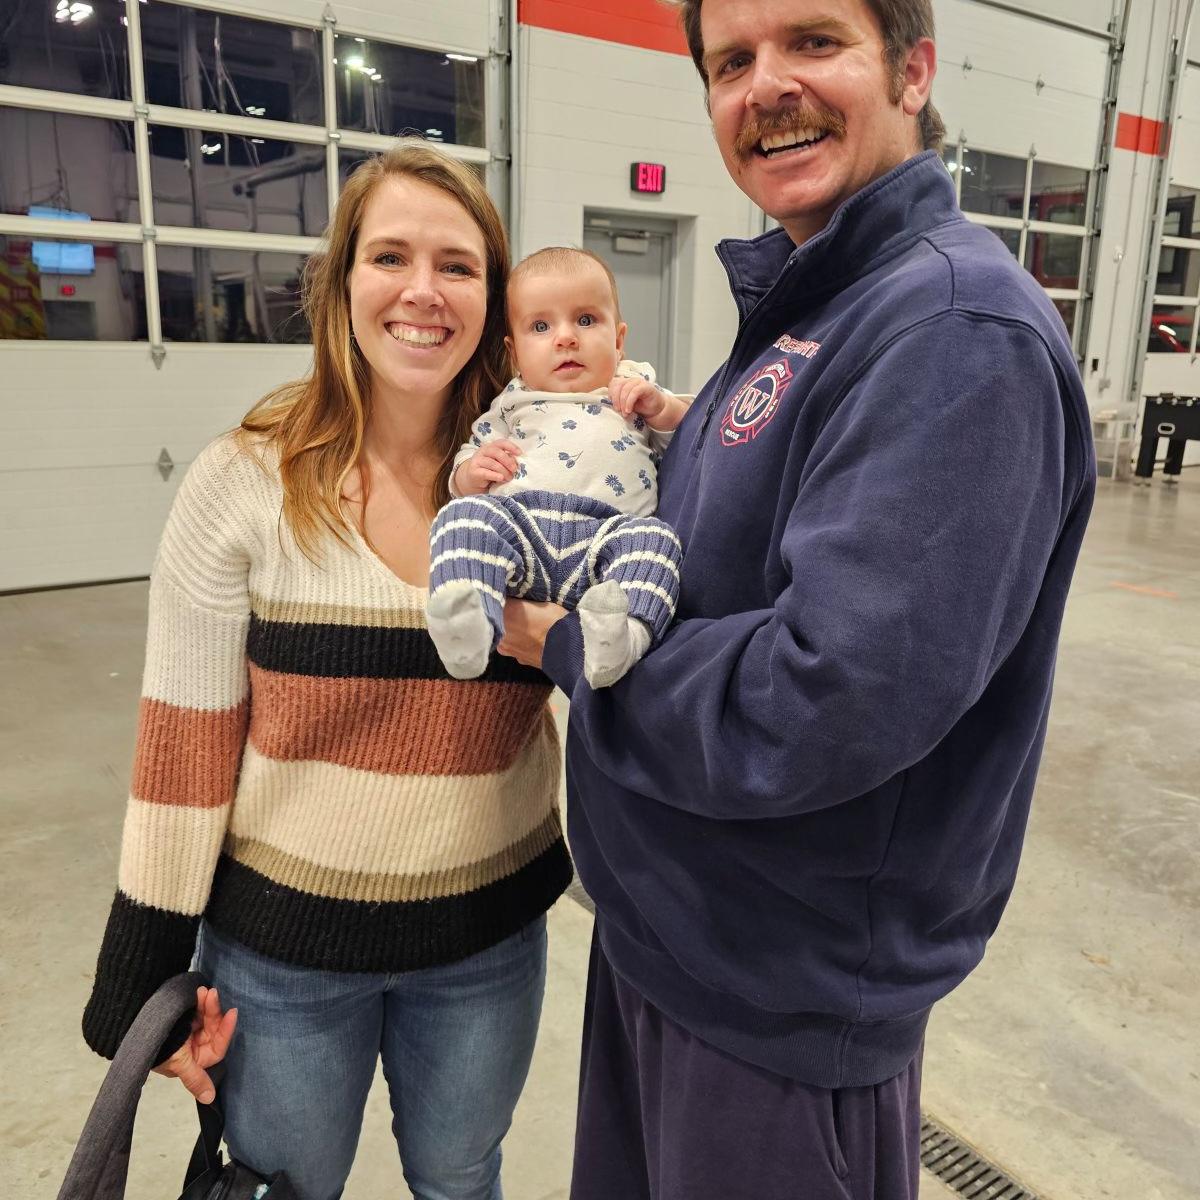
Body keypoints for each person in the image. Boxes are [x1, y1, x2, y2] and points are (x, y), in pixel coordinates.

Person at [497, 1, 1097, 1198]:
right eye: (731, 61)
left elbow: (821, 698)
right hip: (683, 941)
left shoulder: (948, 331)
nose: (765, 86)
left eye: (813, 43)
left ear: (914, 68)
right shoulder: (819, 303)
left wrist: (565, 642)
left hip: (776, 1005)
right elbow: (726, 560)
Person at [80, 142, 573, 1200]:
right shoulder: (243, 484)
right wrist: (141, 977)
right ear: (342, 279)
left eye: (458, 264)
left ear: (492, 294)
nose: (423, 293)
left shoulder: (542, 484)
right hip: (285, 959)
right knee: (283, 1187)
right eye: (390, 255)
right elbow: (183, 750)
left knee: (461, 1176)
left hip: (485, 941)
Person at [426, 247, 689, 689]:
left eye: (586, 321)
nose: (565, 338)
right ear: (514, 350)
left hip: (606, 542)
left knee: (658, 542)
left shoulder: (632, 386)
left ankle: (622, 639)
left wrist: (660, 406)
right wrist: (471, 473)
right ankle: (470, 620)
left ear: (619, 338)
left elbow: (688, 435)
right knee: (462, 517)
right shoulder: (511, 401)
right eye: (541, 326)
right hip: (524, 531)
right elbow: (468, 457)